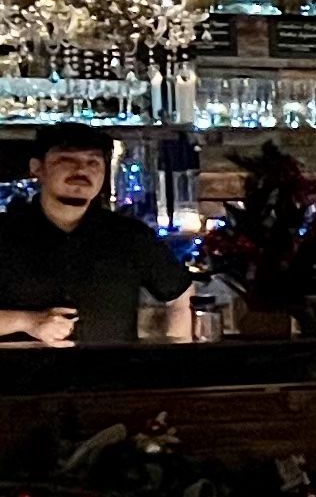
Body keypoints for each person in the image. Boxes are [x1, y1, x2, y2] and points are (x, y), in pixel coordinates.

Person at [0, 122, 196, 349]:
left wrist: (176, 357)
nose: (81, 170)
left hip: (109, 379)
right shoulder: (5, 232)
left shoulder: (129, 236)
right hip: (17, 379)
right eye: (66, 160)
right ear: (37, 168)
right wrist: (27, 321)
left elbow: (181, 296)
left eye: (93, 162)